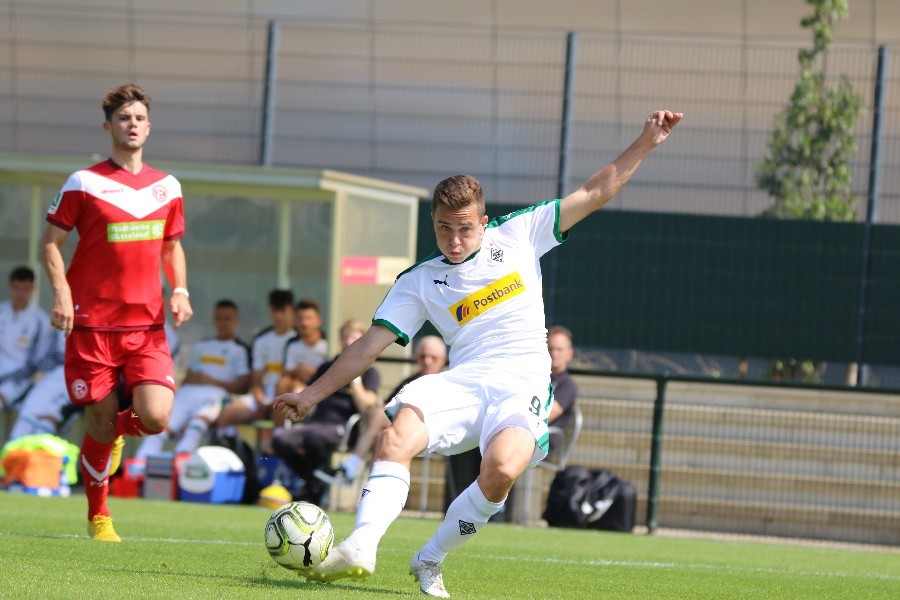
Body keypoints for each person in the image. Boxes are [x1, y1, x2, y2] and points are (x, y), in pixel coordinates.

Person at [274, 109, 682, 597]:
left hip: (522, 384)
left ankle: (429, 559)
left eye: (465, 228)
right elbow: (366, 348)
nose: (454, 239)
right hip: (463, 381)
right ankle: (361, 545)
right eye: (444, 228)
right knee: (395, 436)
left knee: (503, 470)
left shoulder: (520, 233)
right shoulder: (419, 281)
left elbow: (595, 191)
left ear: (484, 222)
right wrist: (311, 394)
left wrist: (647, 142)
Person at [40, 83, 193, 542]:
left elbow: (172, 245)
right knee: (100, 420)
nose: (133, 125)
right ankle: (99, 516)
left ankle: (115, 434)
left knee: (156, 417)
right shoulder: (83, 182)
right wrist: (62, 293)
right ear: (109, 127)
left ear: (150, 127)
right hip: (91, 327)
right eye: (124, 118)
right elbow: (50, 244)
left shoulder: (168, 186)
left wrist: (180, 289)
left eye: (140, 118)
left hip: (146, 328)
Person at [444, 325, 578, 517]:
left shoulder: (567, 385)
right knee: (467, 440)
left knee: (501, 448)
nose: (554, 354)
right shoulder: (530, 376)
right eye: (550, 349)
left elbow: (543, 414)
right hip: (509, 431)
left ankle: (494, 512)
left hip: (539, 442)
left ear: (569, 354)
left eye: (559, 349)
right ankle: (461, 508)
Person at [315, 334, 447, 487]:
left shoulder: (445, 383)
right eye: (423, 356)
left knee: (380, 419)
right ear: (416, 357)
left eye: (433, 357)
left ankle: (351, 468)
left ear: (443, 360)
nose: (427, 361)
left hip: (431, 434)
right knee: (381, 436)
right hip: (400, 431)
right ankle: (374, 488)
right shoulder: (409, 381)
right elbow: (389, 405)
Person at [271, 319, 380, 504]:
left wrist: (354, 378)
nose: (349, 342)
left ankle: (310, 486)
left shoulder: (370, 372)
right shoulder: (326, 367)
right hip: (315, 422)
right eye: (345, 337)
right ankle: (313, 482)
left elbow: (366, 407)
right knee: (280, 439)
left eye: (354, 337)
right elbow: (307, 393)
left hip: (343, 427)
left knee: (315, 438)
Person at [133, 299, 250, 464]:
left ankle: (182, 463)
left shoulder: (240, 349)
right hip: (189, 391)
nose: (222, 323)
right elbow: (190, 374)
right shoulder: (202, 345)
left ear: (236, 321)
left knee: (198, 423)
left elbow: (243, 386)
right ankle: (138, 467)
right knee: (164, 426)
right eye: (219, 318)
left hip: (216, 394)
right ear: (213, 320)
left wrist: (211, 381)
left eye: (227, 318)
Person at [216, 289, 295, 430]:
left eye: (282, 310)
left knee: (282, 407)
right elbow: (256, 378)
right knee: (227, 413)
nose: (278, 315)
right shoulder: (261, 340)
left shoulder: (297, 340)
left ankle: (275, 448)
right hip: (263, 399)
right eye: (274, 310)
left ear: (291, 311)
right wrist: (260, 400)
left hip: (288, 399)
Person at [0, 266, 52, 417]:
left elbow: (38, 362)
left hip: (18, 380)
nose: (21, 293)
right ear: (10, 287)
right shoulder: (1, 311)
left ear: (33, 289)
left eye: (26, 288)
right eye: (17, 288)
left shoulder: (41, 320)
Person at [277, 298, 328, 395]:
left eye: (309, 318)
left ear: (318, 320)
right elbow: (286, 372)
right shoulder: (292, 345)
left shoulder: (327, 344)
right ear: (295, 322)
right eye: (300, 319)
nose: (304, 323)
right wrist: (297, 371)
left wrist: (312, 372)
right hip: (298, 387)